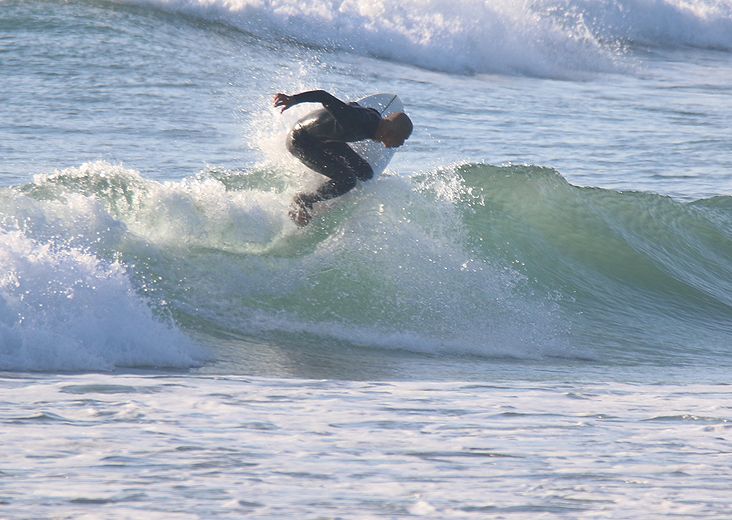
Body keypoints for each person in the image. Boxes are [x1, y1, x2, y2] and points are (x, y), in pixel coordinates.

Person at [274, 89, 412, 226]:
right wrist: (293, 99)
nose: (401, 144)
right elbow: (324, 96)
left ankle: (333, 188)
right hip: (301, 140)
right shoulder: (355, 121)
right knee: (347, 180)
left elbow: (352, 105)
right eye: (402, 138)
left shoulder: (375, 120)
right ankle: (304, 199)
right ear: (389, 132)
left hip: (327, 139)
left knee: (365, 173)